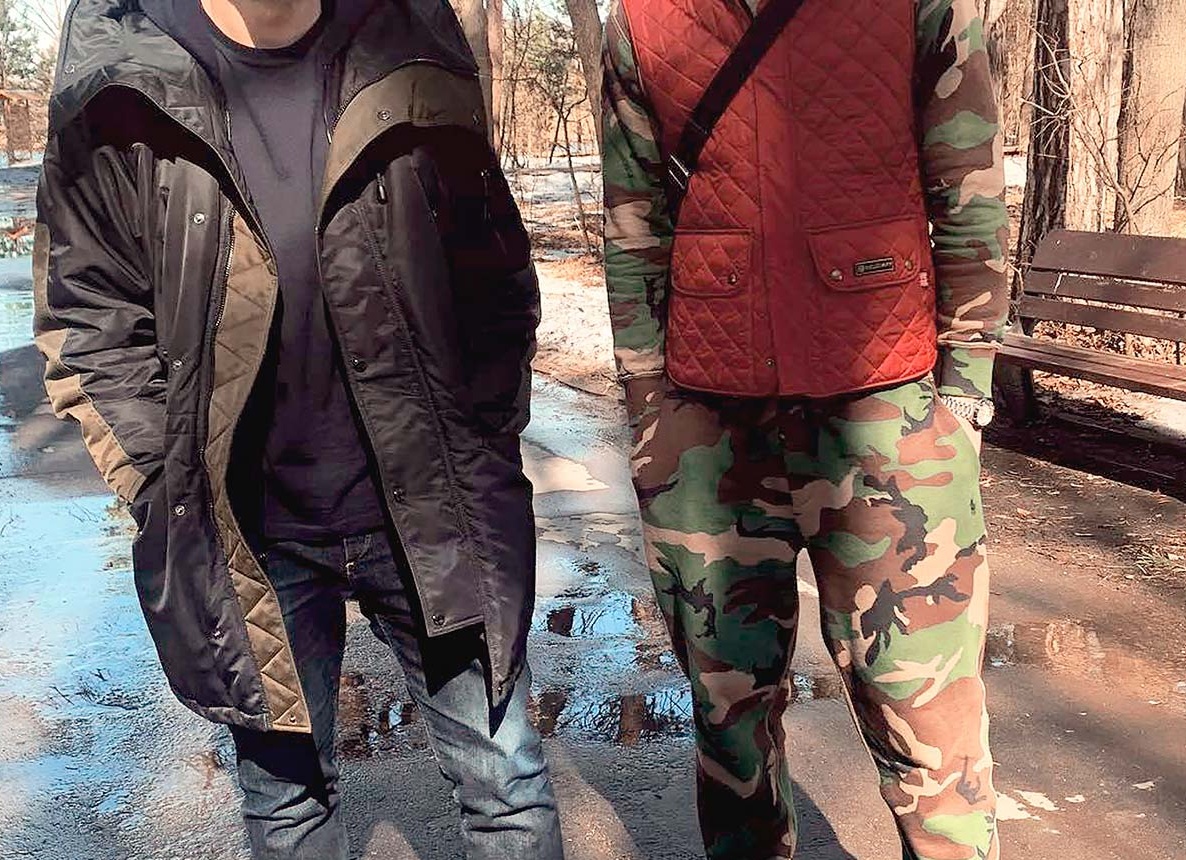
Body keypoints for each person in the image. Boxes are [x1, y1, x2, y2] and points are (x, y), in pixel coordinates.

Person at [33, 0, 564, 856]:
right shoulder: (121, 66)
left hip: (434, 508)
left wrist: (486, 439)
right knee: (287, 809)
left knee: (508, 788)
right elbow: (88, 315)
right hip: (247, 529)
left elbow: (493, 269)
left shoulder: (406, 29)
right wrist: (162, 480)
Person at [602, 0, 1008, 857]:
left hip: (890, 416)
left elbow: (968, 193)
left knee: (930, 721)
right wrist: (648, 411)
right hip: (707, 431)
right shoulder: (642, 20)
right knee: (728, 721)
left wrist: (965, 395)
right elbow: (634, 228)